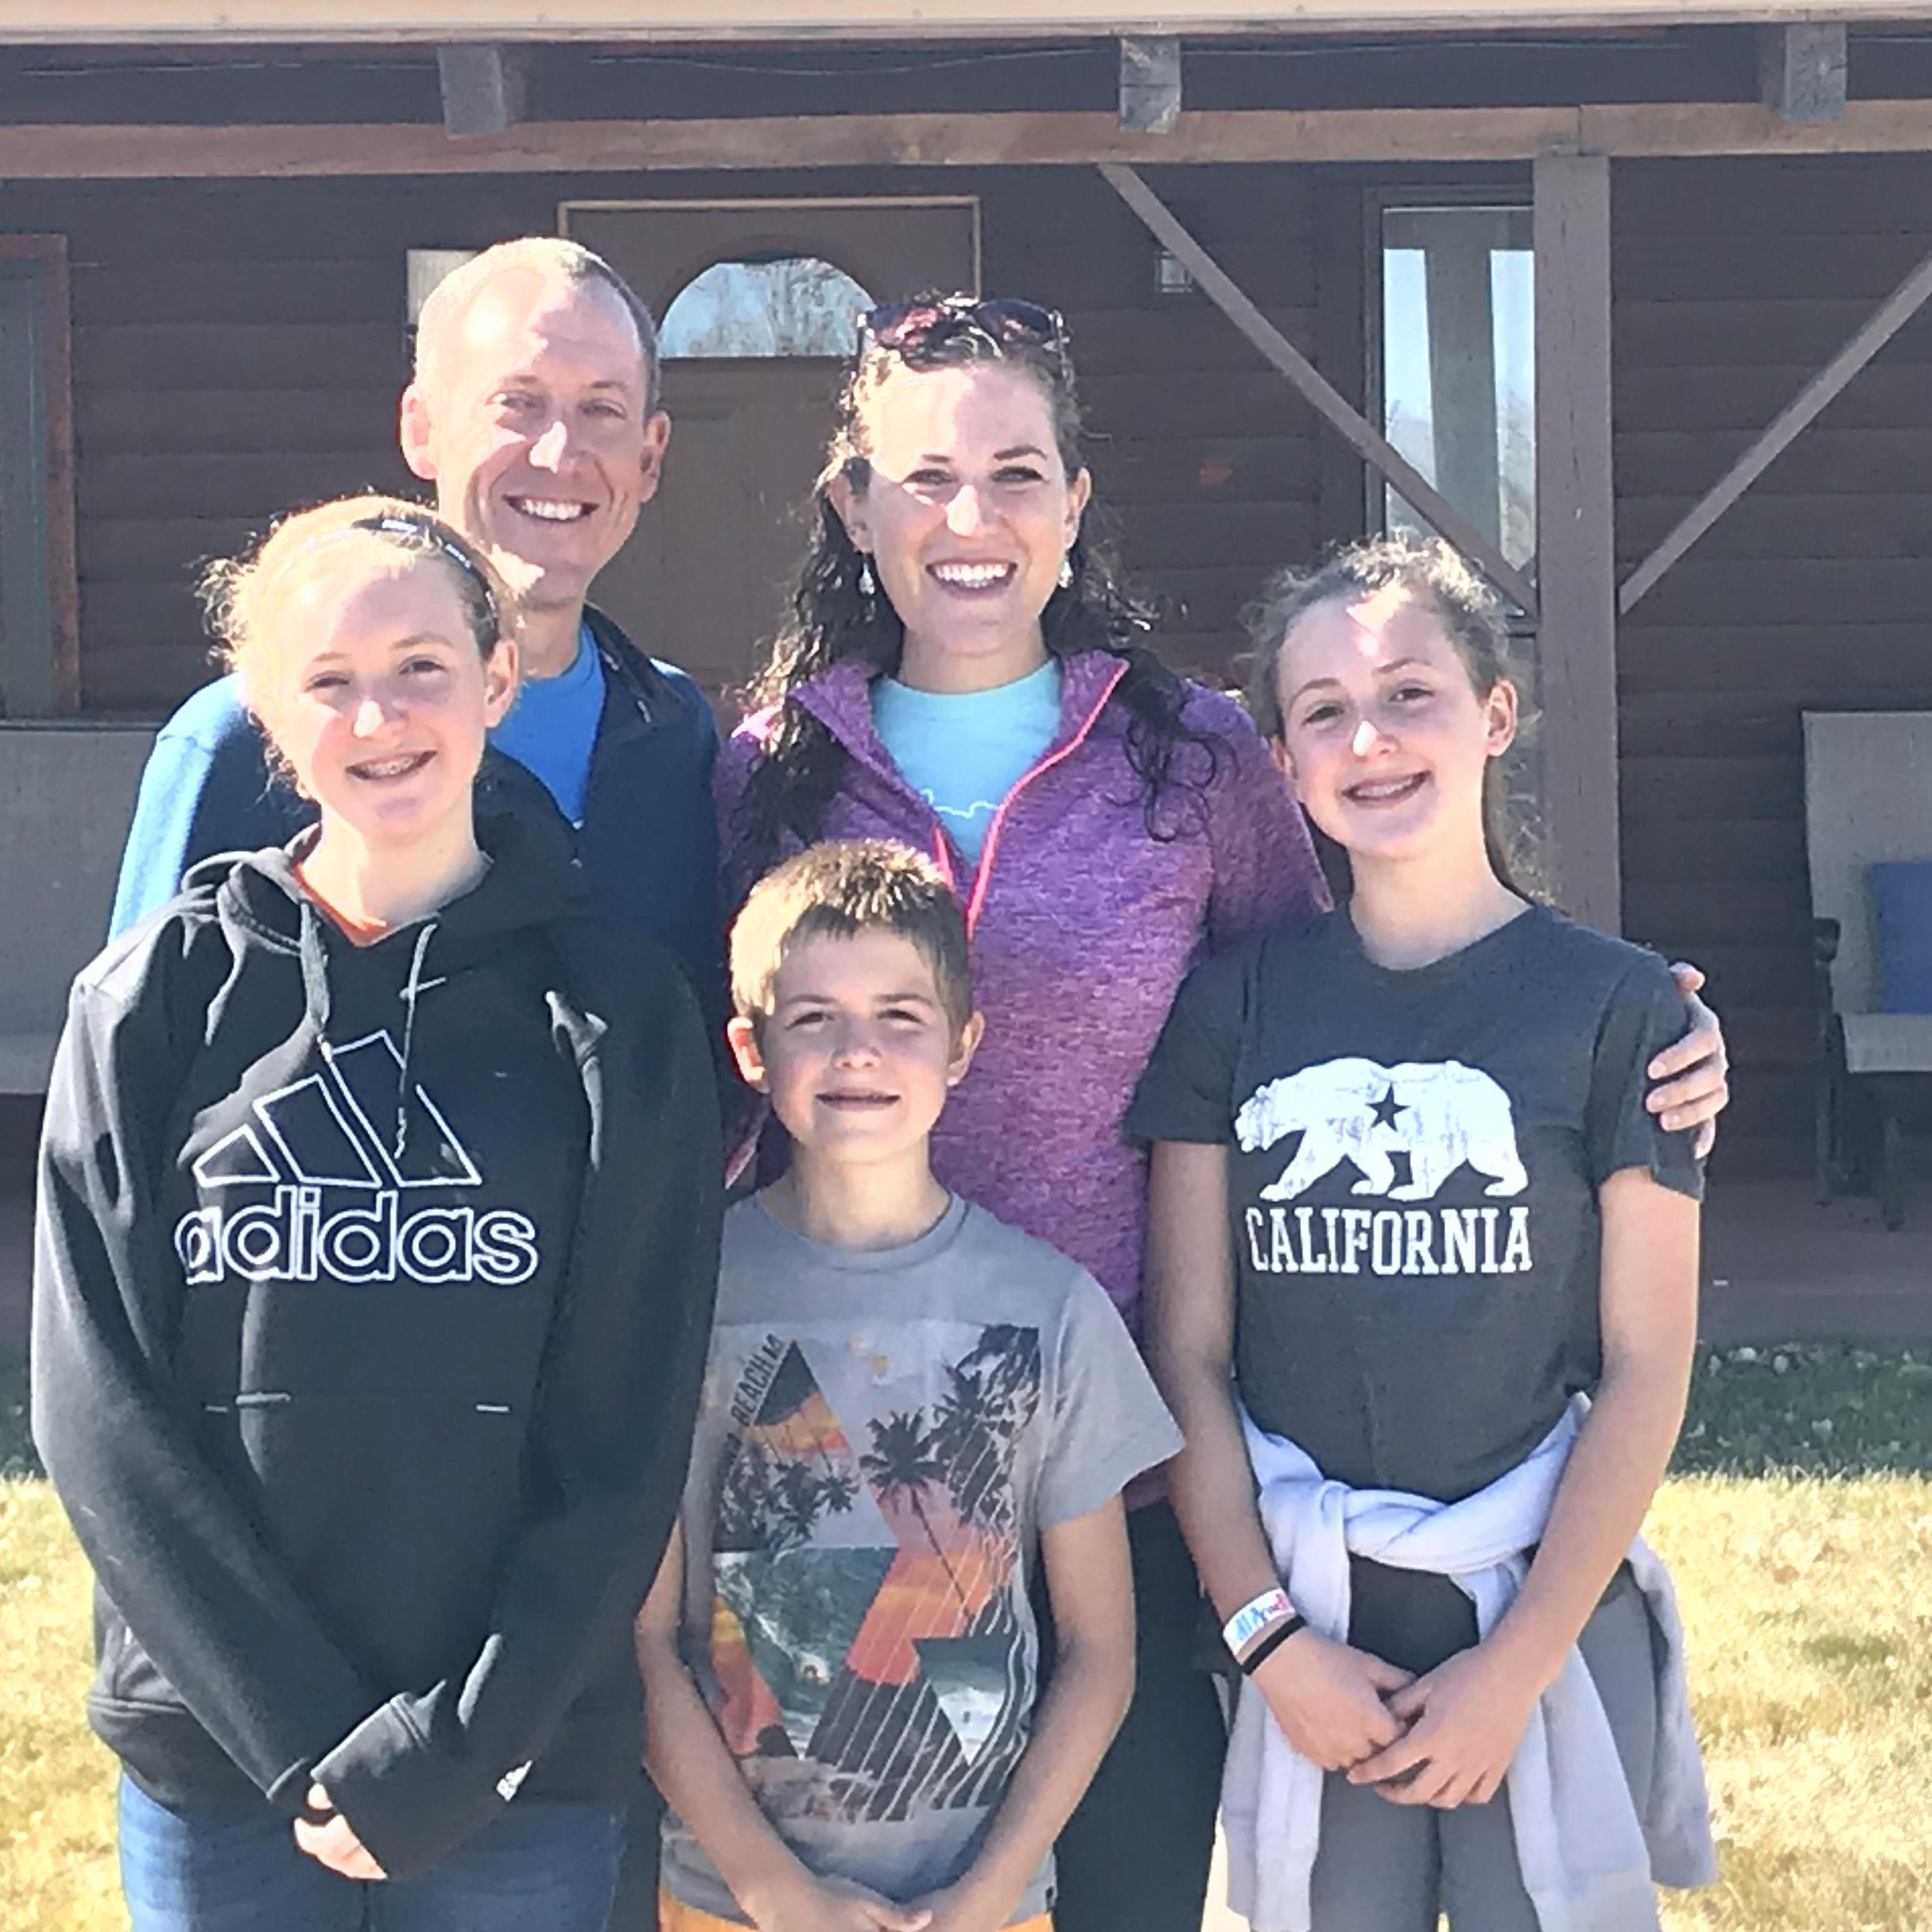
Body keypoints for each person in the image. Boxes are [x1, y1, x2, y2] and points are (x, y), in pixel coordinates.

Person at [714, 296, 1731, 1932]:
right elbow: (719, 1072)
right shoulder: (768, 767)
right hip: (843, 1467)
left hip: (1132, 1484)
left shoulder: (1184, 755)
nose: (970, 519)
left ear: (1073, 499)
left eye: (1016, 471)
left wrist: (1641, 1033)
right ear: (853, 505)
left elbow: (1348, 999)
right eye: (923, 477)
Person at [32, 497, 722, 1931]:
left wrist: (465, 1742)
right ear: (269, 716)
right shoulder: (156, 1000)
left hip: (512, 1770)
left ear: (494, 684)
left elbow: (627, 1425)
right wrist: (292, 1732)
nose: (380, 714)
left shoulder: (615, 1014)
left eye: (419, 665)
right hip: (221, 1763)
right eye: (329, 680)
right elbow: (96, 1410)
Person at [1130, 538, 1717, 1932]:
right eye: (1322, 709)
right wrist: (1267, 1638)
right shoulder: (1232, 1007)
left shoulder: (1618, 1009)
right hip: (1314, 1628)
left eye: (1409, 692)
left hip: (1542, 1611)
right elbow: (1186, 1351)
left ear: (1493, 714)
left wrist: (1518, 1658)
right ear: (1281, 757)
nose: (1369, 736)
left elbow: (1645, 1365)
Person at [637, 839, 1183, 1932]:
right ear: (750, 1048)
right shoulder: (680, 1301)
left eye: (899, 1015)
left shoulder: (1052, 1308)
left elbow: (1100, 1652)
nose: (858, 1052)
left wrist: (989, 1891)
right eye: (813, 1019)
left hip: (989, 1905)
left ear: (963, 1043)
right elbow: (646, 1641)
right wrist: (774, 1891)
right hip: (728, 1903)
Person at [107, 236, 720, 1002]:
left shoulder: (672, 733)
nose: (561, 453)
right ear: (422, 429)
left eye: (601, 408)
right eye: (518, 403)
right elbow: (132, 1067)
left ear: (650, 455)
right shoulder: (253, 737)